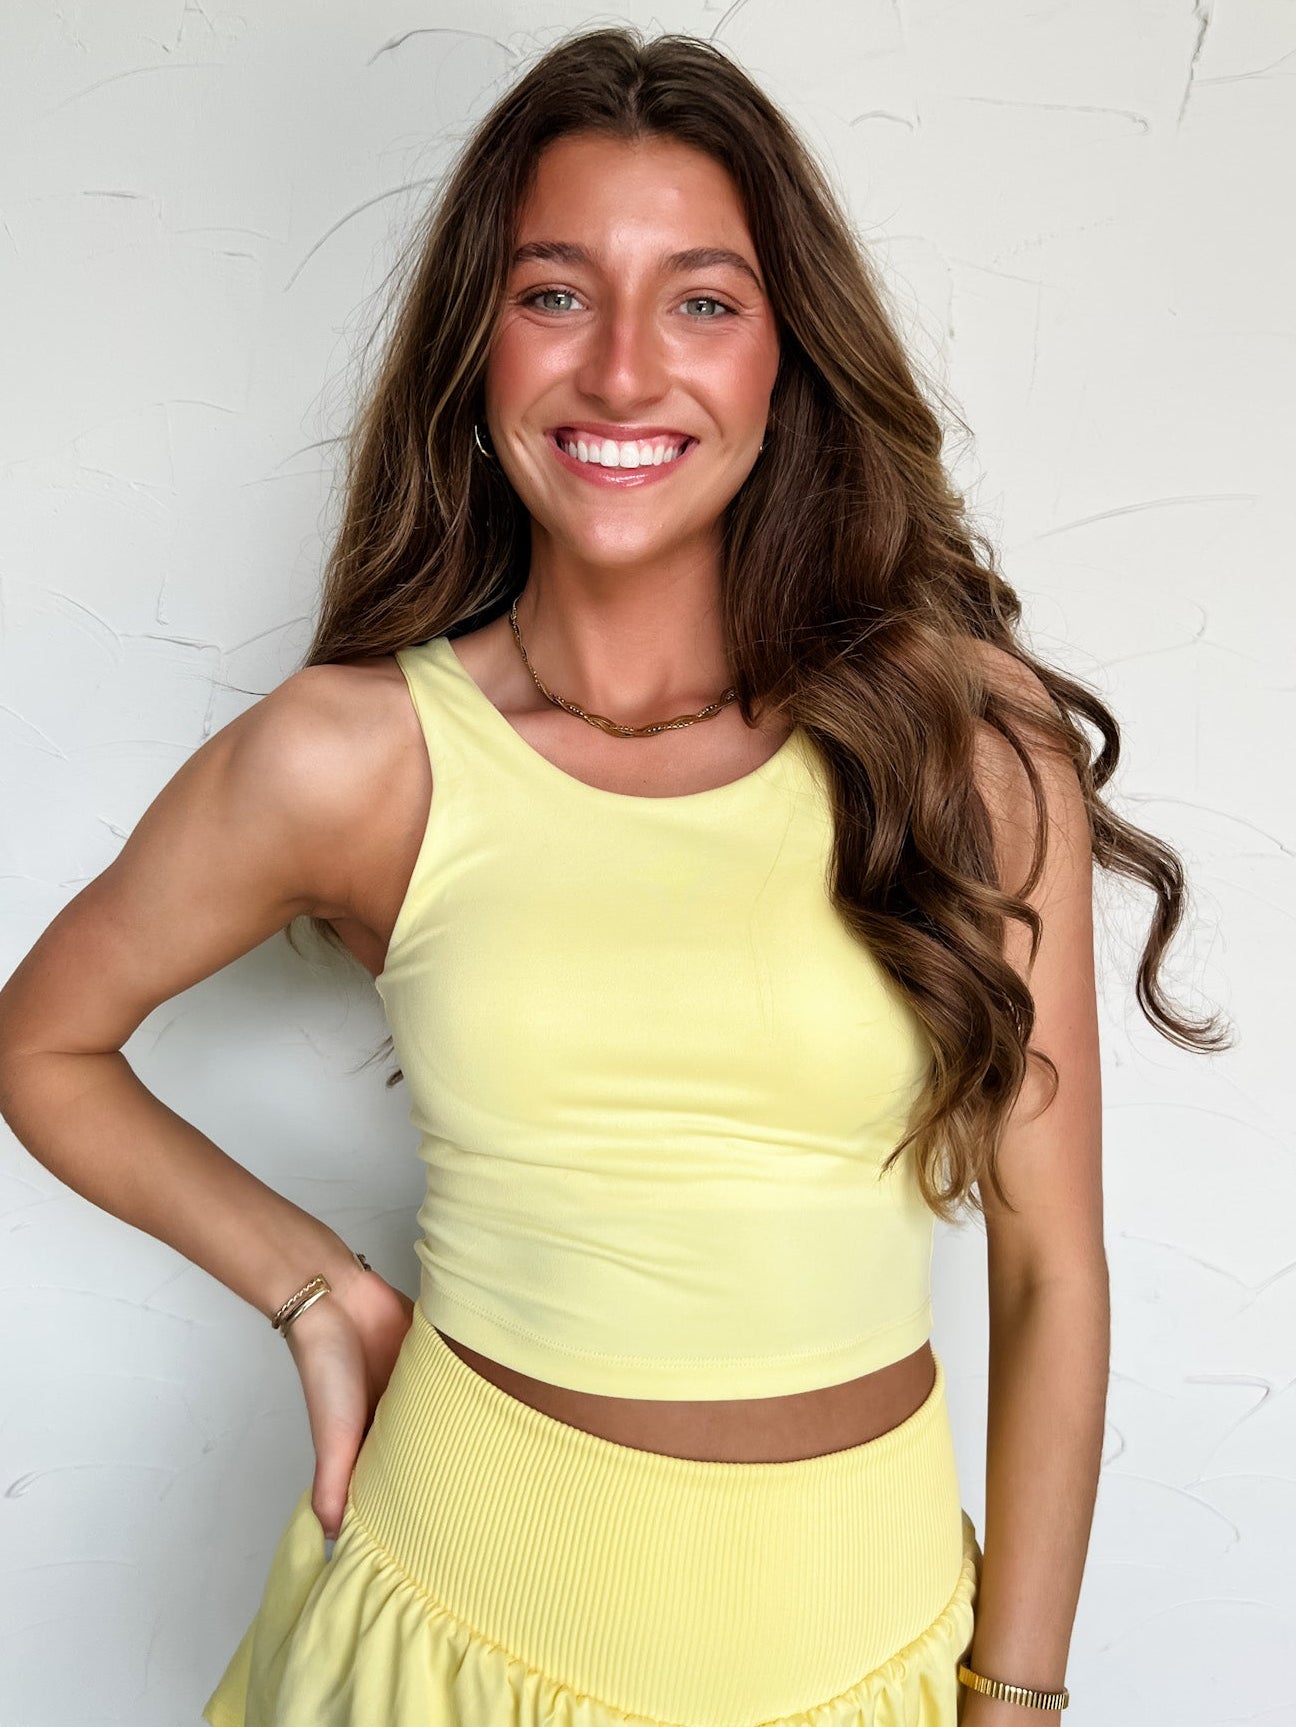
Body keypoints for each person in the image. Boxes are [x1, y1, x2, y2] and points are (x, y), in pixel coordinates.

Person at [0, 24, 1230, 1727]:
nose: (627, 371)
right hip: (441, 1635)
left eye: (705, 300)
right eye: (557, 293)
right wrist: (315, 1290)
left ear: (787, 352)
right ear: (478, 345)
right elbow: (41, 1043)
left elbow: (1051, 1271)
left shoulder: (963, 747)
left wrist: (1016, 1694)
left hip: (867, 1654)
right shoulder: (357, 757)